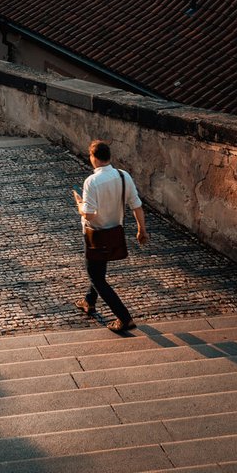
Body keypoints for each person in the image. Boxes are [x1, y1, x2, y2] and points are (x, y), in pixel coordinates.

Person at [73, 138, 148, 333]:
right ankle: (89, 302)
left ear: (94, 158)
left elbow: (89, 213)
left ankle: (124, 317)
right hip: (114, 232)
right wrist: (142, 229)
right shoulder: (124, 176)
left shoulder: (92, 181)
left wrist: (79, 205)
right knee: (98, 272)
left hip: (95, 235)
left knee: (96, 277)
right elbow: (136, 205)